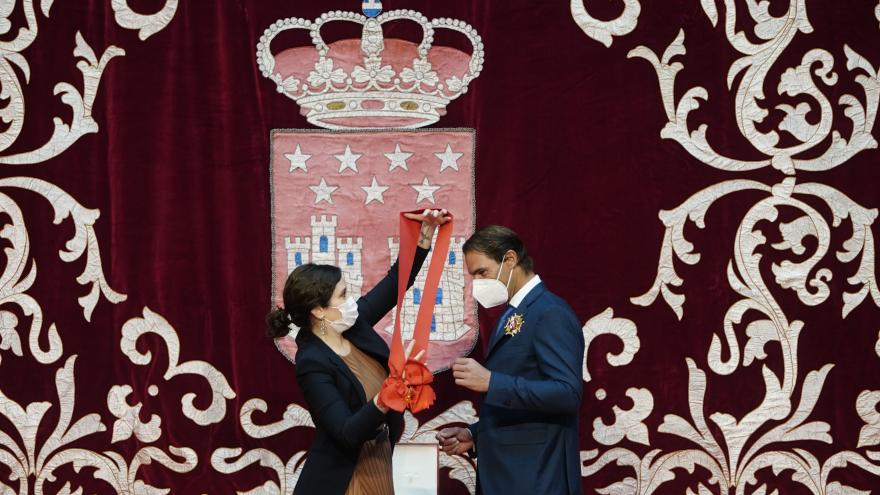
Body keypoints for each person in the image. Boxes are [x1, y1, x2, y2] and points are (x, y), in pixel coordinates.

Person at [266, 209, 450, 495]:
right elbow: (346, 433)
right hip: (344, 478)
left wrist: (423, 239)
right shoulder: (311, 362)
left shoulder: (353, 325)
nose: (351, 301)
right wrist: (383, 399)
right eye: (342, 295)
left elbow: (394, 284)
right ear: (318, 310)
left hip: (378, 460)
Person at [436, 225, 584, 495]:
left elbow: (568, 393)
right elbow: (522, 399)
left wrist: (492, 382)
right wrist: (475, 434)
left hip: (537, 478)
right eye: (473, 276)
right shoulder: (511, 313)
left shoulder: (550, 312)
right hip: (510, 476)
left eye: (482, 272)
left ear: (510, 260)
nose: (478, 283)